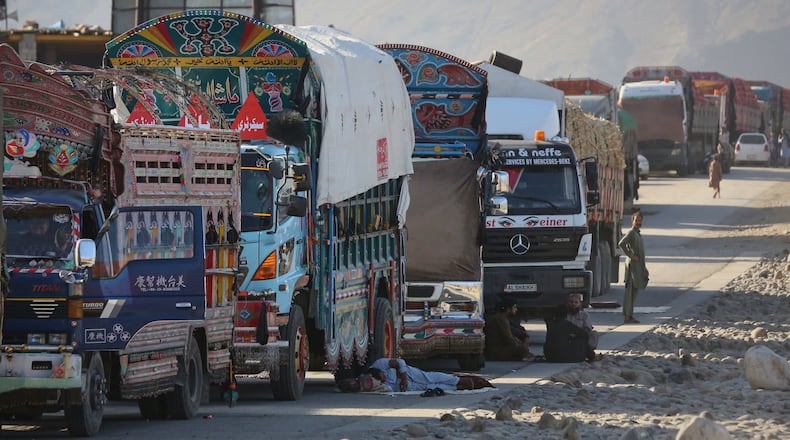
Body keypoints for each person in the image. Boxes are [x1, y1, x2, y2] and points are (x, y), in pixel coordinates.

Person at [336, 358, 494, 395]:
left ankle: (464, 381)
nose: (384, 377)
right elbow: (385, 389)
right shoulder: (370, 382)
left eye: (383, 376)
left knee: (435, 377)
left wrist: (403, 377)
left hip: (410, 374)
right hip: (407, 387)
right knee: (435, 387)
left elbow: (399, 362)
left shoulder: (380, 364)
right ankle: (461, 387)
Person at [618, 210, 648, 324]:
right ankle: (627, 316)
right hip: (632, 267)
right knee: (629, 293)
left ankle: (630, 315)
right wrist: (631, 255)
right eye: (636, 220)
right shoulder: (631, 232)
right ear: (632, 221)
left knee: (634, 292)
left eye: (640, 220)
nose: (638, 222)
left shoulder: (637, 233)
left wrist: (644, 267)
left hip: (638, 267)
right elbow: (621, 243)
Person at [565, 293, 602, 362]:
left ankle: (588, 352)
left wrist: (578, 334)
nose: (573, 304)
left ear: (580, 304)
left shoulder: (584, 315)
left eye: (576, 302)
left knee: (594, 334)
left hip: (581, 336)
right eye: (571, 302)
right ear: (567, 303)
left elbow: (588, 328)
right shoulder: (564, 314)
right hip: (567, 338)